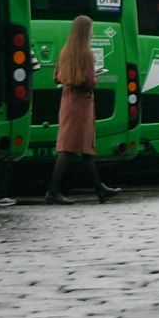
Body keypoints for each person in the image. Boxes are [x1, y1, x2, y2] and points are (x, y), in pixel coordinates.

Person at [46, 15, 120, 205]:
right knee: (68, 147)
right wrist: (94, 77)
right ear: (86, 31)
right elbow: (89, 82)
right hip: (81, 102)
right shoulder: (87, 53)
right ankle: (53, 190)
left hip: (68, 99)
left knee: (84, 148)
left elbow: (56, 77)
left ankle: (100, 189)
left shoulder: (65, 51)